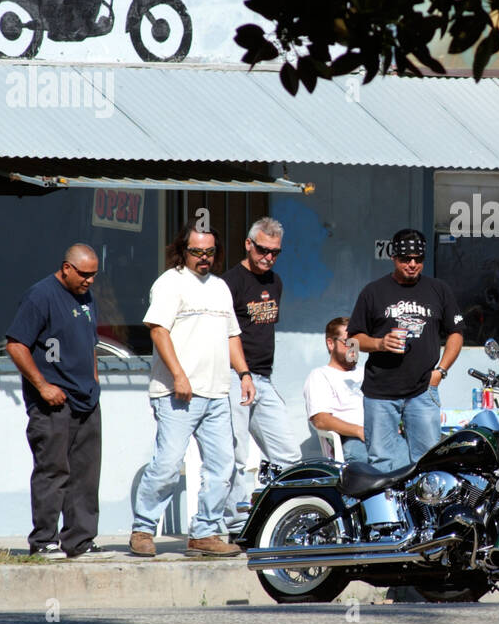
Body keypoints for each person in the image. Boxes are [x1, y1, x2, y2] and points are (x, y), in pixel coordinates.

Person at [130, 222, 253, 558]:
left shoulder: (221, 288)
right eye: (197, 251)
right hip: (177, 393)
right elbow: (158, 332)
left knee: (223, 465)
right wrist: (179, 376)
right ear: (182, 251)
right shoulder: (170, 283)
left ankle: (204, 534)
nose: (204, 258)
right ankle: (143, 529)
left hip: (216, 393)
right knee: (168, 463)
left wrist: (243, 373)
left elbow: (231, 336)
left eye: (210, 252)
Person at [5, 243, 109, 559]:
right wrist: (43, 385)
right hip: (53, 402)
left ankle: (79, 540)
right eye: (84, 274)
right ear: (66, 267)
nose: (89, 281)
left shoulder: (86, 296)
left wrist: (94, 379)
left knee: (86, 474)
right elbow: (16, 345)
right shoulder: (41, 296)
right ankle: (43, 541)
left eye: (94, 275)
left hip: (86, 399)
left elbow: (90, 342)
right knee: (53, 470)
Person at [222, 217, 313, 541]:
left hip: (263, 378)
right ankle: (235, 528)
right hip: (233, 377)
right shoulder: (230, 283)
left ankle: (290, 521)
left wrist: (255, 376)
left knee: (288, 456)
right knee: (236, 454)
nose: (268, 257)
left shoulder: (275, 282)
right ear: (248, 244)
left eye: (275, 252)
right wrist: (242, 373)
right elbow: (225, 336)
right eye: (263, 250)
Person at [348, 229, 464, 471]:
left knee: (428, 462)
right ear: (394, 258)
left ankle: (422, 509)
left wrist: (440, 372)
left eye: (418, 259)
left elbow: (456, 333)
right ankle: (386, 509)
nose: (412, 264)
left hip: (423, 390)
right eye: (405, 259)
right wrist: (380, 343)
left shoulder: (438, 289)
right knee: (381, 462)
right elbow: (354, 339)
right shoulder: (373, 292)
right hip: (380, 392)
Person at [303, 317, 368, 464]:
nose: (353, 348)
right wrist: (359, 431)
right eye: (348, 342)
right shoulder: (320, 376)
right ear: (331, 343)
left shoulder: (367, 373)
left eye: (356, 343)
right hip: (350, 440)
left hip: (381, 436)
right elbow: (321, 420)